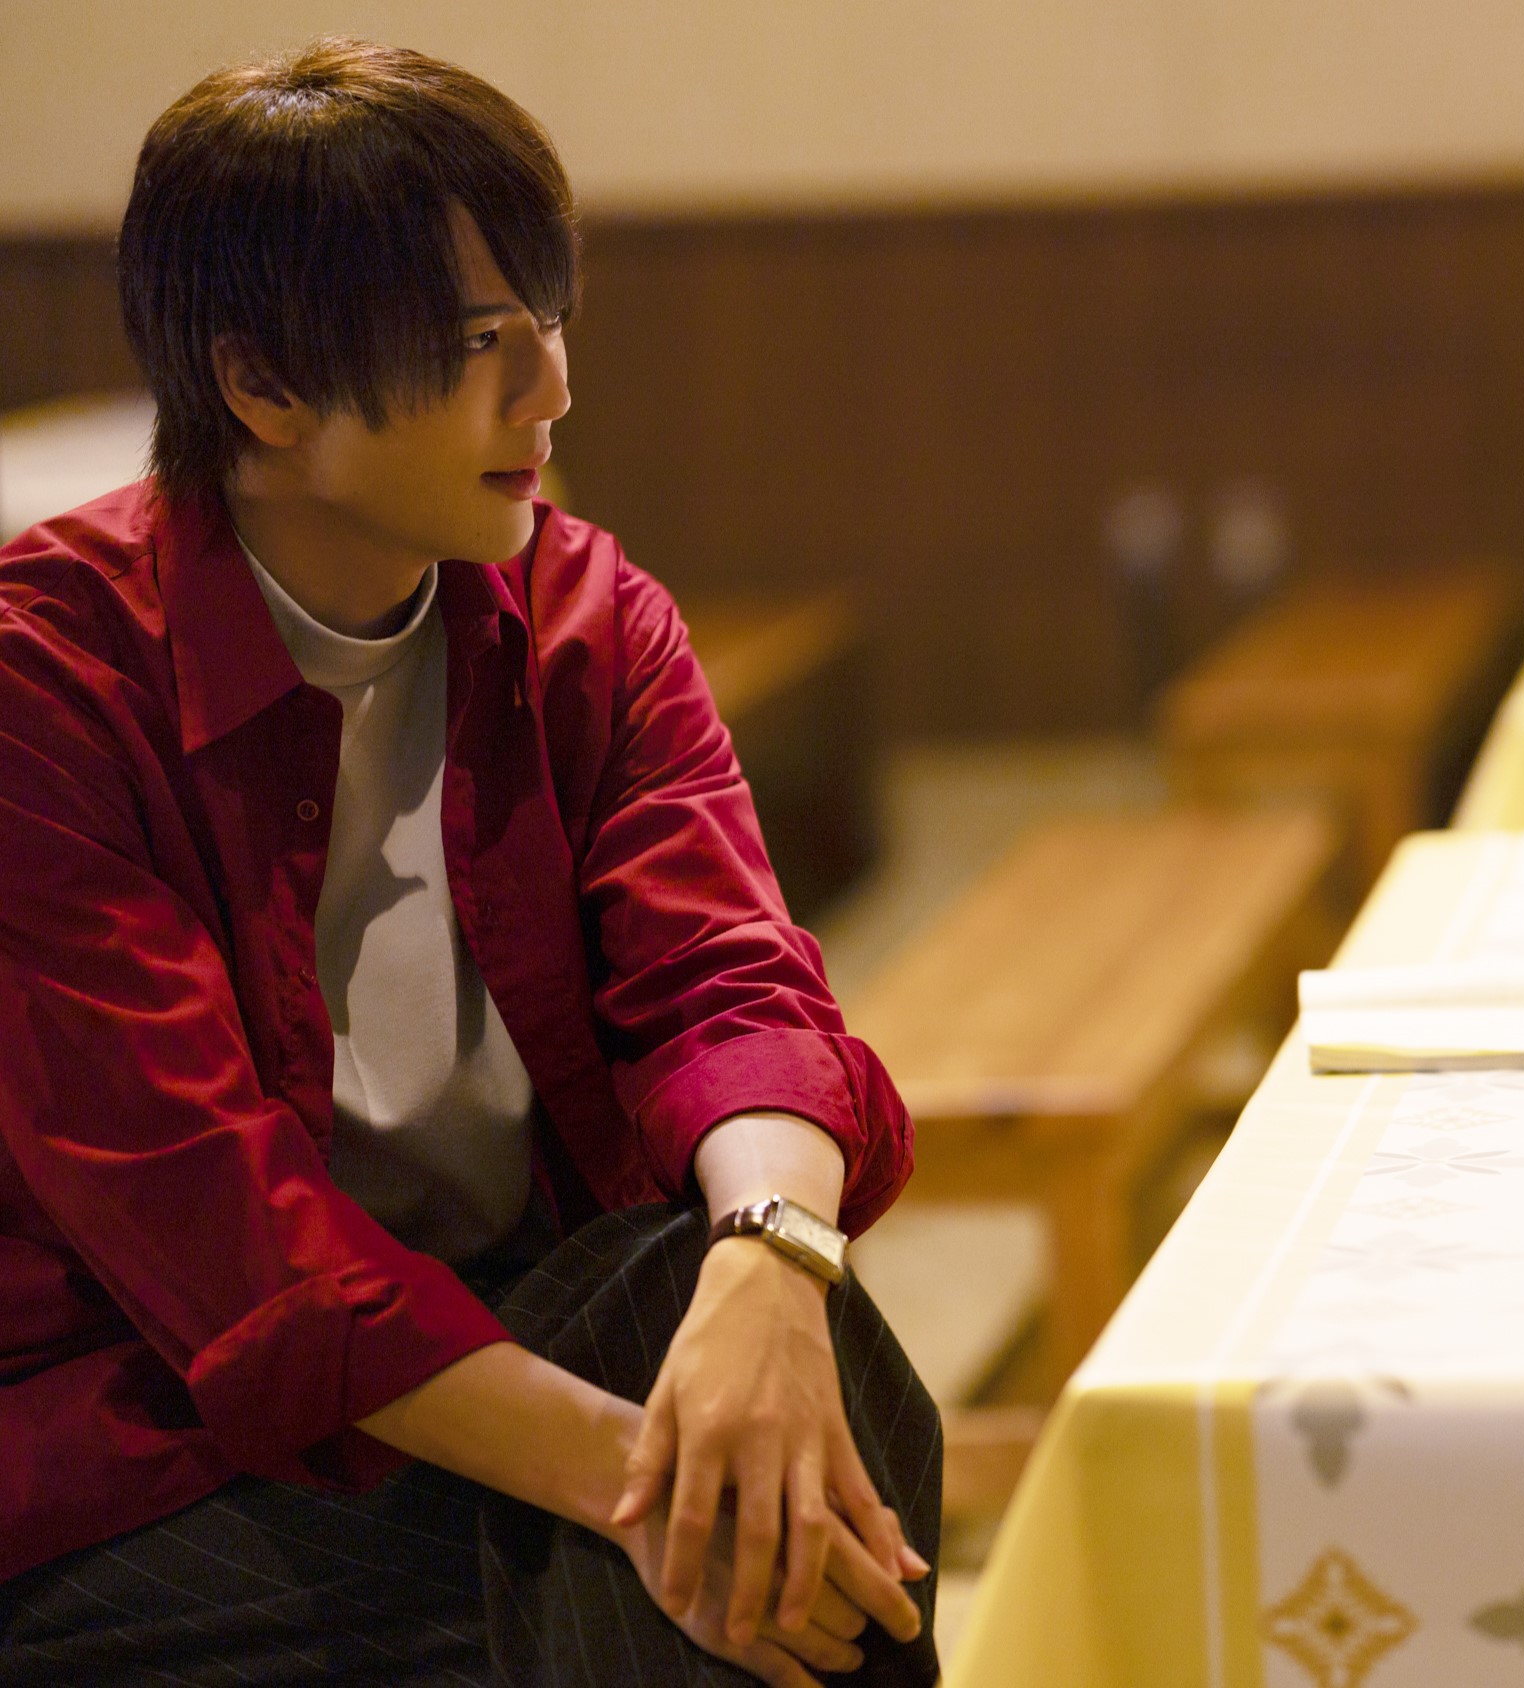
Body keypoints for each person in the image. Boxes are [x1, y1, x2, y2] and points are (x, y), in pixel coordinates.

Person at [0, 40, 940, 1687]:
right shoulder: (48, 687)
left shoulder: (586, 622)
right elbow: (230, 1243)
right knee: (757, 1538)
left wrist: (774, 1268)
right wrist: (646, 1485)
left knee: (794, 1371)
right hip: (157, 1430)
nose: (550, 389)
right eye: (473, 342)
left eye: (550, 318)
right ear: (263, 385)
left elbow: (730, 986)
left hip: (508, 1315)